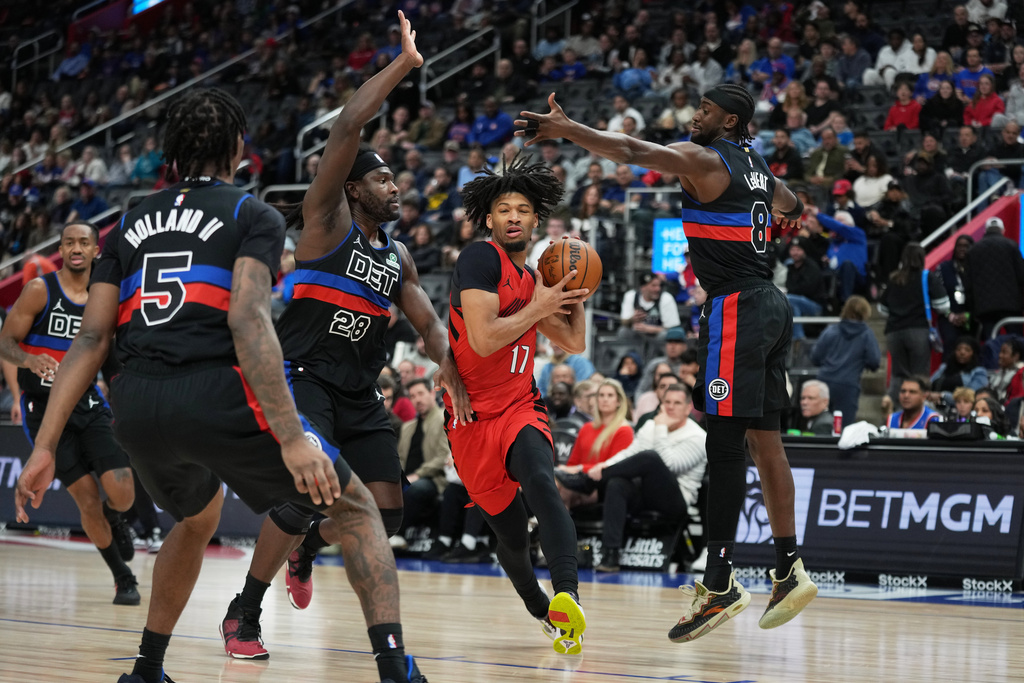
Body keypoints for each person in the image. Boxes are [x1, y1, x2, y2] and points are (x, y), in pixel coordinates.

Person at [17, 70, 432, 683]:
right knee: (359, 510)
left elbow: (92, 337)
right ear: (238, 148)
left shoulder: (129, 220)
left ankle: (147, 668)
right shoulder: (250, 213)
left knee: (197, 517)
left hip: (135, 403)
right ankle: (397, 670)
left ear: (172, 151)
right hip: (215, 392)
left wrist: (44, 446)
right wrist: (291, 435)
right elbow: (247, 319)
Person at [517, 83, 819, 640]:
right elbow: (791, 204)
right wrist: (795, 217)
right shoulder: (757, 168)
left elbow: (632, 152)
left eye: (705, 110)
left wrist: (568, 130)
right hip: (772, 306)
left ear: (728, 122)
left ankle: (721, 582)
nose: (695, 114)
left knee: (725, 446)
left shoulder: (704, 158)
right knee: (766, 441)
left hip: (736, 307)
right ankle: (788, 567)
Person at [216, 15, 468, 670]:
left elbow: (430, 326)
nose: (397, 186)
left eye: (395, 179)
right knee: (309, 494)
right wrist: (404, 65)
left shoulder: (399, 257)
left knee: (388, 508)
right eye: (384, 180)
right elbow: (349, 126)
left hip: (360, 393)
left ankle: (302, 547)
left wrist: (458, 373)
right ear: (355, 187)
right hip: (306, 380)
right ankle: (245, 606)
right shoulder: (324, 225)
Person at [445, 153, 589, 654]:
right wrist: (543, 305)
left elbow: (573, 343)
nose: (512, 217)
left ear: (535, 220)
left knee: (541, 482)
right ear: (489, 218)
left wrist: (576, 295)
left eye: (522, 210)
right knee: (509, 536)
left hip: (519, 406)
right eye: (504, 209)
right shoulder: (479, 259)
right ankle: (540, 608)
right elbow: (483, 340)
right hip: (470, 420)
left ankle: (568, 593)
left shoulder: (532, 281)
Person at [0, 221, 139, 605]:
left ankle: (116, 518)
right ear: (61, 248)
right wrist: (28, 359)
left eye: (84, 242)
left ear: (97, 250)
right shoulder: (38, 290)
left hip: (88, 402)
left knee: (123, 493)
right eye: (69, 242)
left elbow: (108, 351)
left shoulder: (104, 297)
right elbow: (4, 343)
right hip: (43, 409)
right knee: (85, 498)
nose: (76, 248)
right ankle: (122, 576)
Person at [587, 383, 706, 572]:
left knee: (651, 458)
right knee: (617, 483)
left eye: (677, 403)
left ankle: (589, 483)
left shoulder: (698, 436)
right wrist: (604, 466)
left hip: (676, 502)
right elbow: (630, 453)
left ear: (687, 408)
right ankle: (610, 555)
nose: (670, 407)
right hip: (645, 493)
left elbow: (669, 464)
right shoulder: (650, 425)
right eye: (667, 401)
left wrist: (661, 428)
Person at [554, 378, 634, 509]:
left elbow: (612, 467)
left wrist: (579, 468)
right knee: (554, 485)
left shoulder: (624, 430)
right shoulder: (586, 428)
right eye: (601, 395)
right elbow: (572, 464)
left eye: (610, 395)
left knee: (559, 489)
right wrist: (574, 469)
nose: (605, 399)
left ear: (619, 401)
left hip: (600, 485)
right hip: (576, 480)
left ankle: (539, 525)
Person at [393, 378, 450, 548]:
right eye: (412, 396)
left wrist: (418, 474)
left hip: (434, 479)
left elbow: (442, 457)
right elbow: (400, 458)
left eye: (421, 394)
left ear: (432, 394)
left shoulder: (443, 419)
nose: (417, 399)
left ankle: (398, 534)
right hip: (409, 476)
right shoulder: (407, 427)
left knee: (413, 488)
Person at [811, 295, 880, 422]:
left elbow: (815, 357)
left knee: (819, 426)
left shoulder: (831, 330)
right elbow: (874, 361)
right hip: (848, 386)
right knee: (844, 430)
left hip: (824, 382)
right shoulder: (867, 334)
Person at [963, 217, 1024, 340]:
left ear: (985, 231)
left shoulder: (973, 250)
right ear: (1002, 230)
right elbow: (1021, 276)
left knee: (991, 345)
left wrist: (972, 308)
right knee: (1016, 343)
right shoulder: (1012, 246)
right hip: (1011, 307)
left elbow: (967, 284)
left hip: (985, 309)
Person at [618, 272, 682, 344]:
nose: (658, 289)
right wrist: (632, 319)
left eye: (659, 285)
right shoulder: (631, 296)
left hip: (657, 337)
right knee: (623, 331)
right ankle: (629, 354)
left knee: (665, 334)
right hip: (637, 336)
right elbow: (623, 322)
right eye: (653, 286)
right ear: (643, 287)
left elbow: (672, 328)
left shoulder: (666, 298)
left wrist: (649, 329)